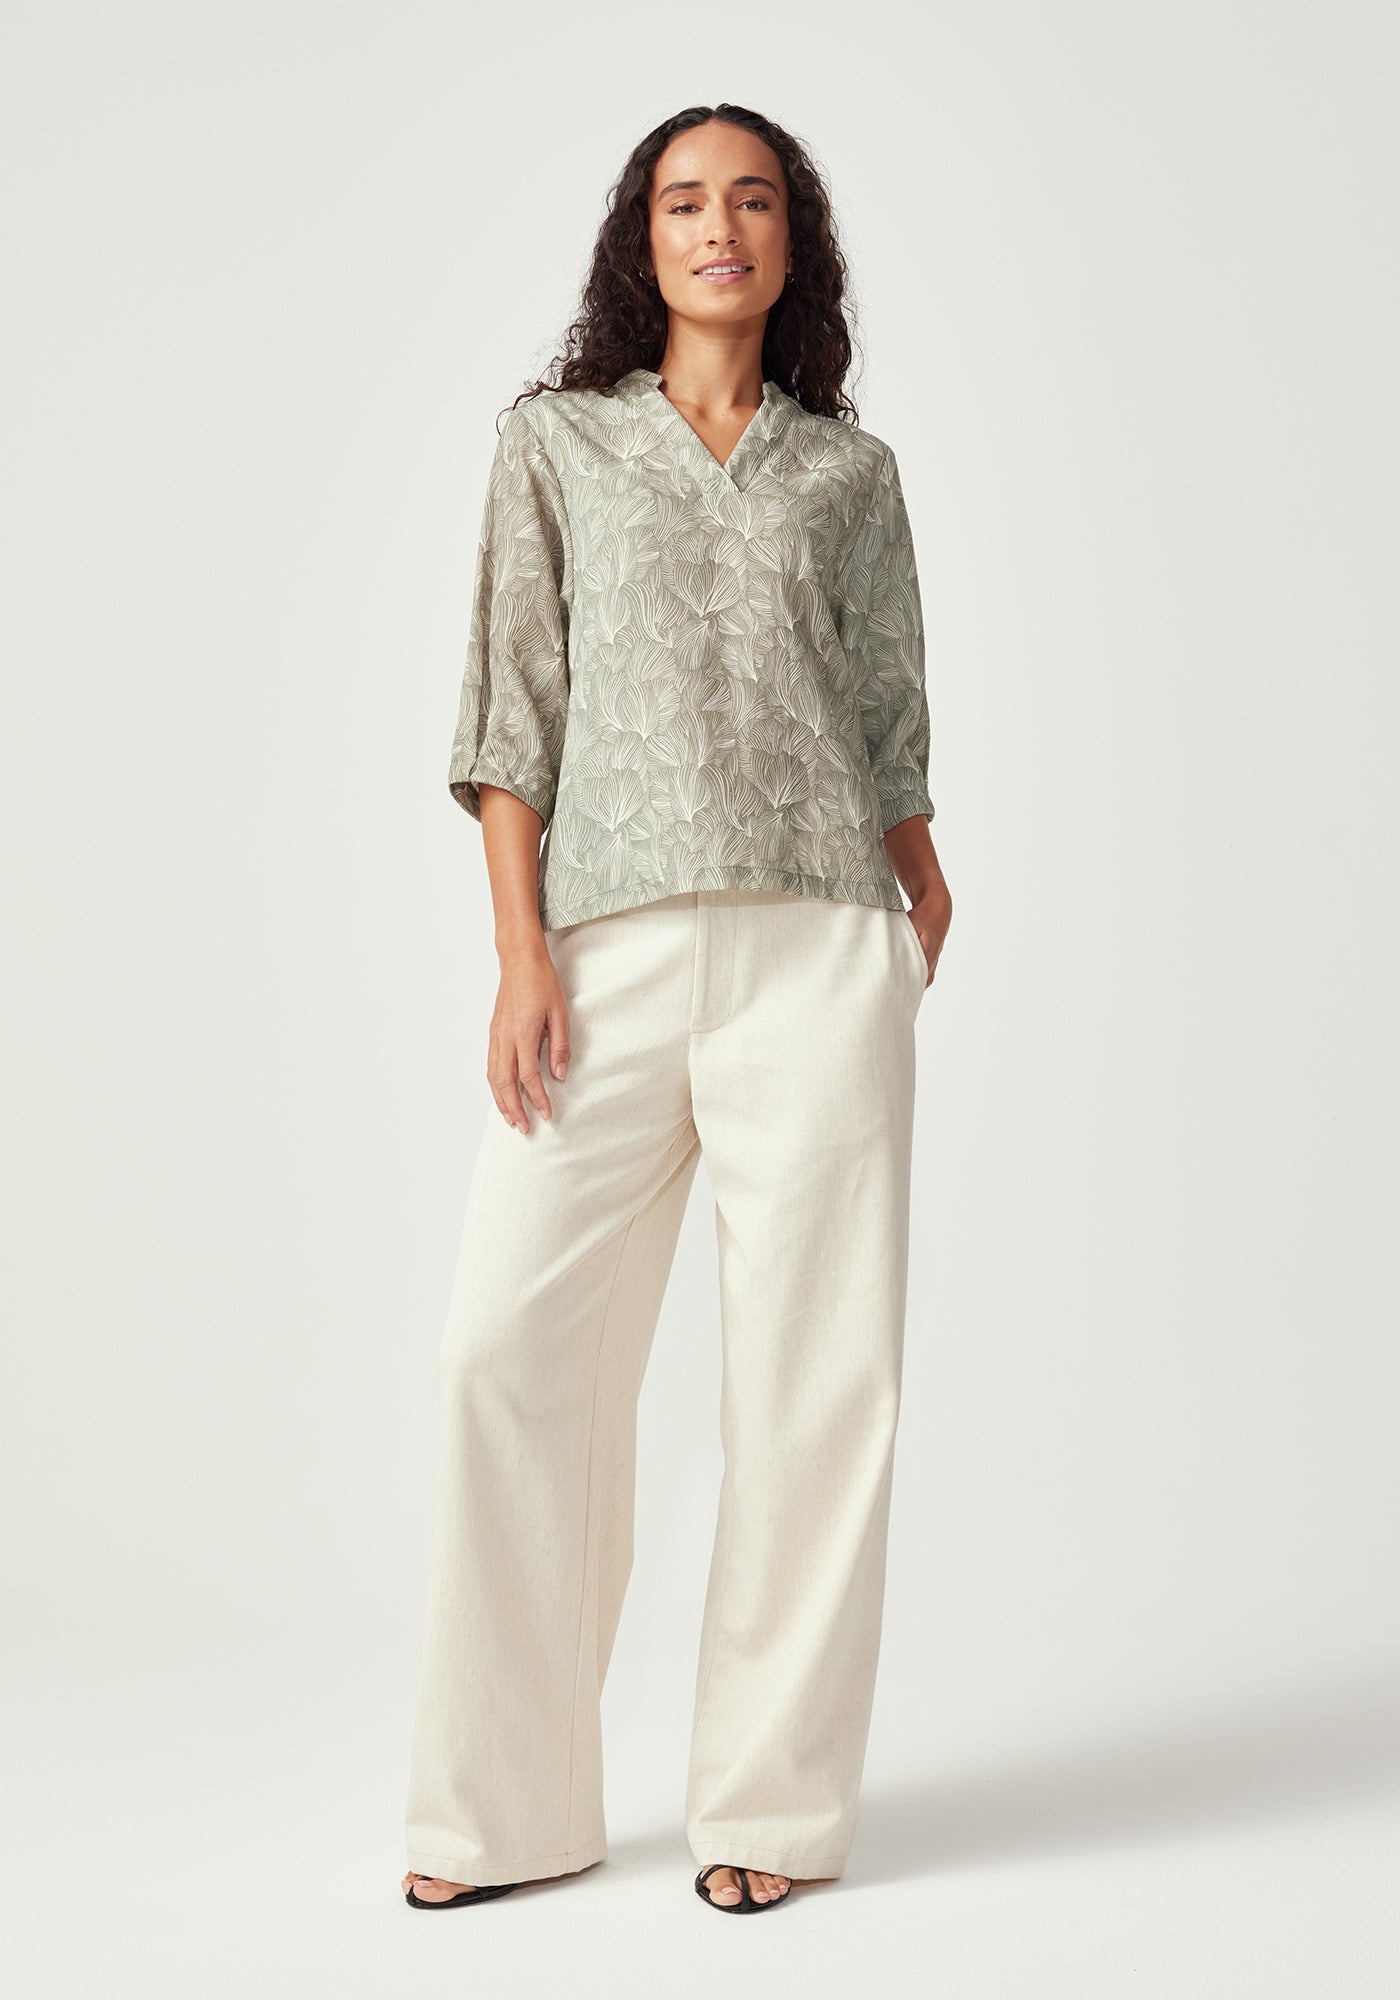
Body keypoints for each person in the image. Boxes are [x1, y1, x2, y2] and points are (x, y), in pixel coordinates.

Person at [401, 100, 953, 1918]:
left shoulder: (849, 474)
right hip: (607, 957)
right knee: (507, 1354)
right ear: (641, 241)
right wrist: (520, 955)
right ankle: (500, 1816)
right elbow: (513, 714)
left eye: (755, 200)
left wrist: (920, 871)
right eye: (686, 202)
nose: (721, 227)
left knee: (817, 1380)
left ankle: (769, 1812)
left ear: (795, 241)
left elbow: (884, 707)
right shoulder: (555, 444)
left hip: (821, 942)